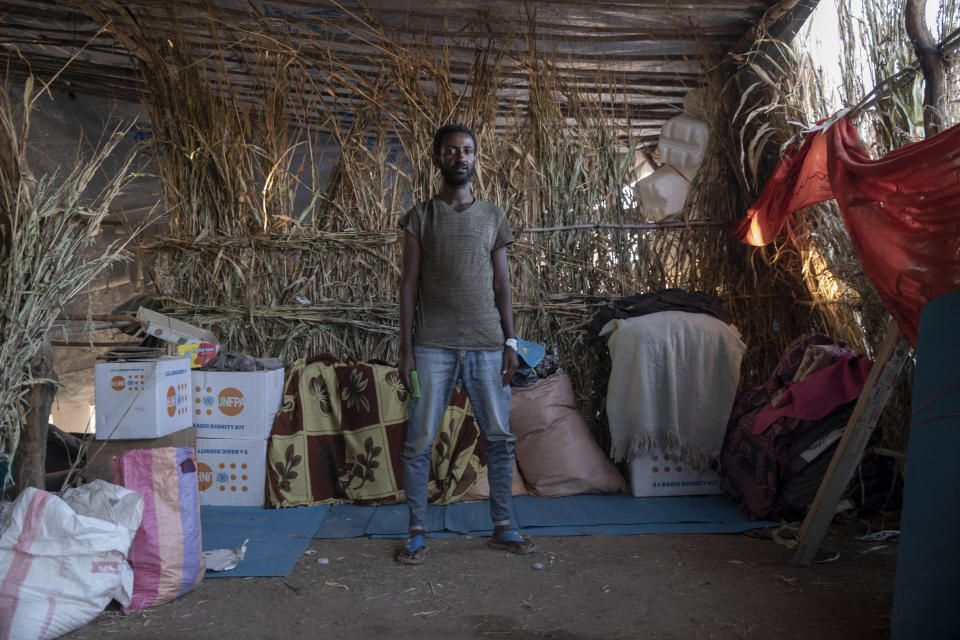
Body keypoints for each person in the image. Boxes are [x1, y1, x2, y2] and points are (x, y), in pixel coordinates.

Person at [395, 123, 535, 564]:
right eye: (452, 151)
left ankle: (503, 526)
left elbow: (502, 285)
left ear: (477, 158)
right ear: (438, 157)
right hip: (432, 345)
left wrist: (511, 342)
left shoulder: (493, 217)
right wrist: (406, 349)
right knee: (419, 440)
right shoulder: (421, 216)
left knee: (499, 437)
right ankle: (417, 532)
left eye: (469, 151)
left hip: (488, 345)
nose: (461, 158)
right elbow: (408, 286)